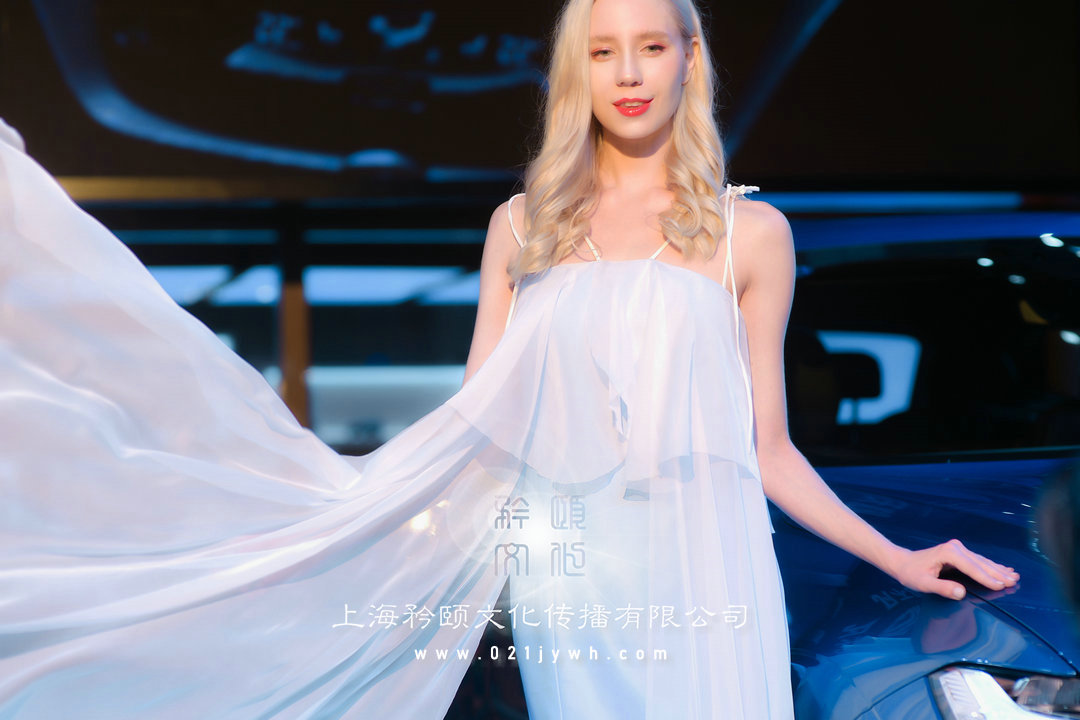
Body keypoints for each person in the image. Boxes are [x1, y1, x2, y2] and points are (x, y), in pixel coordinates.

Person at [0, 0, 1018, 718]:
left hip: (711, 562)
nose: (629, 73)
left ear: (689, 59)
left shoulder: (752, 236)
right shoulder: (523, 227)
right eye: (605, 51)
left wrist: (897, 557)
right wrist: (354, 532)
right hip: (573, 577)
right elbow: (479, 434)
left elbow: (770, 450)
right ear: (581, 70)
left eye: (651, 47)